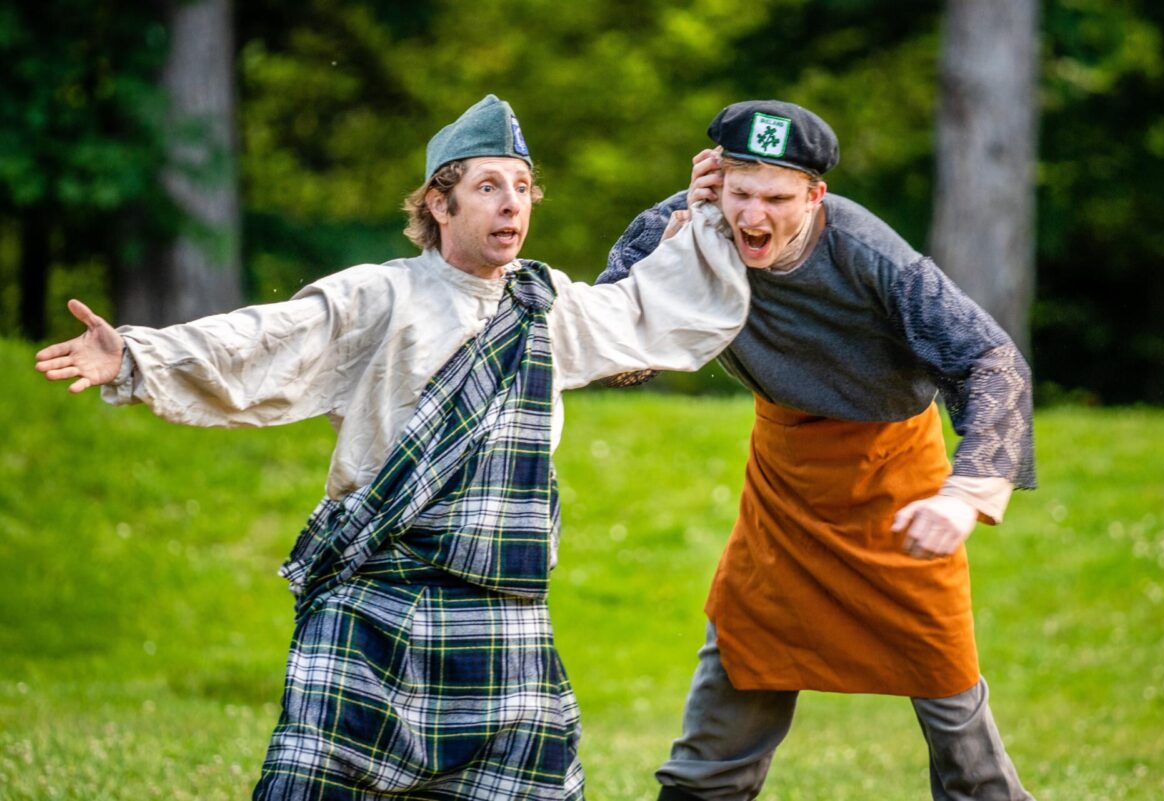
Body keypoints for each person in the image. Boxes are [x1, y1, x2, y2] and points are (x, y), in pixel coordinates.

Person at [34, 94, 750, 801]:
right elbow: (260, 342)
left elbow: (647, 310)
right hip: (376, 597)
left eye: (524, 188)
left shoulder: (545, 303)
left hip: (502, 609)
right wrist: (135, 355)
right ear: (439, 205)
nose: (512, 205)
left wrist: (714, 212)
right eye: (489, 187)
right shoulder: (380, 296)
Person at [600, 99, 1038, 801]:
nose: (753, 216)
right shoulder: (681, 226)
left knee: (957, 720)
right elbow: (616, 352)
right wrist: (682, 243)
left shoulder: (870, 254)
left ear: (815, 195)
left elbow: (991, 361)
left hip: (895, 482)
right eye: (741, 193)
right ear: (715, 177)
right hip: (785, 485)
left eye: (777, 198)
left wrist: (968, 491)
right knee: (738, 672)